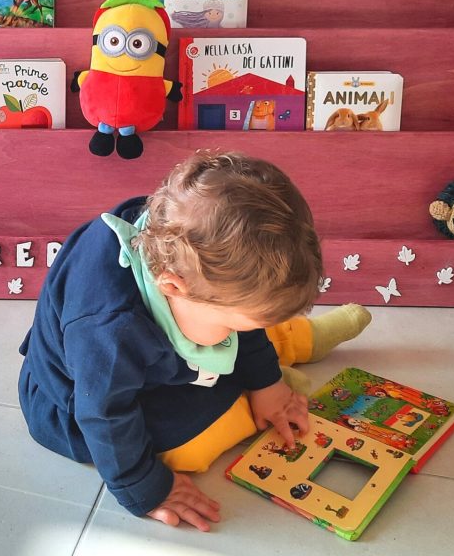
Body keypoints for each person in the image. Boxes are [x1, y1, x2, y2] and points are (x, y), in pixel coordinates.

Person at [18, 151, 371, 531]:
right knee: (184, 435)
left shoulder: (181, 236)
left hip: (146, 356)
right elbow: (105, 415)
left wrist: (268, 384)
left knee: (244, 321)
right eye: (234, 326)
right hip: (78, 407)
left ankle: (294, 338)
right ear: (172, 287)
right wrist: (144, 488)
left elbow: (241, 325)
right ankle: (248, 392)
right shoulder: (111, 332)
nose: (241, 330)